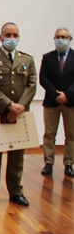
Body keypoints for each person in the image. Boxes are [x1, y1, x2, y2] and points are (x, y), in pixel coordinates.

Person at [0, 22, 36, 206]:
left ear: (18, 37)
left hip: (19, 114)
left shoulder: (27, 60)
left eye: (15, 35)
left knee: (17, 156)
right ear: (0, 37)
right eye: (8, 35)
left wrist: (19, 107)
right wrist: (8, 105)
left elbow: (32, 85)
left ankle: (15, 191)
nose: (11, 38)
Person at [39, 27, 74, 177]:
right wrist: (55, 94)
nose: (60, 39)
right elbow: (43, 78)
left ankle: (69, 164)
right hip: (51, 102)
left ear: (70, 39)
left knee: (71, 135)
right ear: (54, 39)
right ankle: (48, 163)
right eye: (58, 37)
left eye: (64, 37)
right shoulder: (47, 57)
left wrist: (67, 94)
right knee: (49, 134)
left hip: (71, 102)